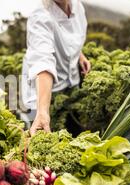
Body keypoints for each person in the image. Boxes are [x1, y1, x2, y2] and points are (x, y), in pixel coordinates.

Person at [21, 0, 91, 136]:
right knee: (41, 141)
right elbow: (43, 61)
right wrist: (42, 111)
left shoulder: (77, 6)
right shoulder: (40, 16)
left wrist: (80, 56)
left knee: (73, 131)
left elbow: (71, 37)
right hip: (42, 92)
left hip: (70, 85)